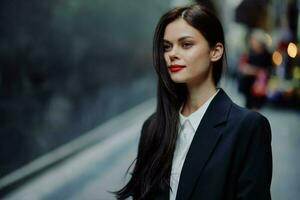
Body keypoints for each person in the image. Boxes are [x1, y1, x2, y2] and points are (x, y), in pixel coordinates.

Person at [115, 3, 272, 200]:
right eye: (167, 47)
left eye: (186, 44)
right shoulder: (153, 127)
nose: (172, 54)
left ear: (215, 51)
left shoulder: (248, 128)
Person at [238, 29, 272, 110]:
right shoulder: (248, 52)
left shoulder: (266, 54)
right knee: (248, 107)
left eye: (254, 40)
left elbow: (267, 70)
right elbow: (242, 67)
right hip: (248, 85)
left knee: (255, 108)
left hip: (259, 87)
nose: (252, 42)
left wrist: (251, 70)